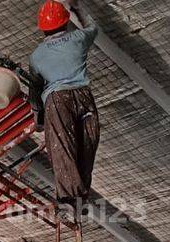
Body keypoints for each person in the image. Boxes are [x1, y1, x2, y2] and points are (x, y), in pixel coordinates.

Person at [28, 0, 100, 219]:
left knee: (62, 146)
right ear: (65, 23)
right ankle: (81, 198)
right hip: (84, 96)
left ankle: (69, 200)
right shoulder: (78, 40)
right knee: (87, 144)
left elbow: (35, 88)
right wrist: (77, 8)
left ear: (43, 29)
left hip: (57, 100)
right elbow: (93, 28)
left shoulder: (37, 56)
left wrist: (38, 117)